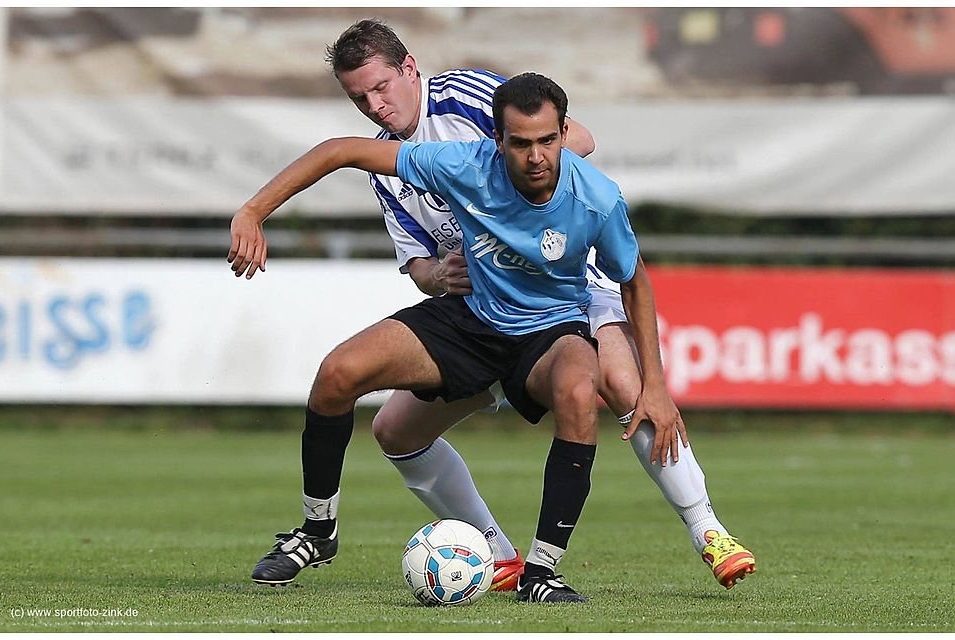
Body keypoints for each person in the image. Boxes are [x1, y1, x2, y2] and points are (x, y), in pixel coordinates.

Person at [318, 19, 755, 591]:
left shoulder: (466, 99)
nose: (374, 106)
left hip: (569, 279)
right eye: (359, 99)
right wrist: (438, 274)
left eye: (380, 88)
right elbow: (419, 264)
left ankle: (708, 531)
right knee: (396, 431)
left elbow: (575, 139)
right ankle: (498, 555)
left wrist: (509, 197)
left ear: (409, 69)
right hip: (489, 308)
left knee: (626, 384)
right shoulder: (389, 164)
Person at [230, 72, 657, 603]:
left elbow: (634, 280)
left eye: (547, 141)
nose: (535, 156)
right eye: (520, 143)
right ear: (495, 140)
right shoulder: (463, 164)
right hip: (472, 322)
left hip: (549, 330)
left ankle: (542, 571)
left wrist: (655, 386)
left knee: (578, 391)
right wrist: (252, 211)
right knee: (338, 373)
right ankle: (319, 531)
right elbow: (340, 150)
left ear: (564, 136)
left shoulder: (597, 197)